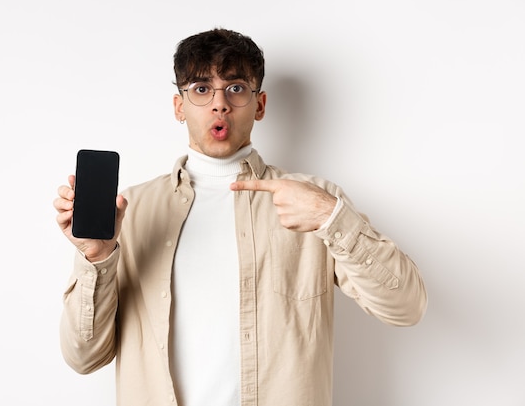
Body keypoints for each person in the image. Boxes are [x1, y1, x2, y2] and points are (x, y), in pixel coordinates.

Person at [54, 28, 427, 406]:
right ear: (179, 106)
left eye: (235, 88)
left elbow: (407, 307)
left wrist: (331, 216)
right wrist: (97, 258)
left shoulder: (312, 198)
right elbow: (84, 358)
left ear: (260, 104)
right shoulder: (131, 210)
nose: (219, 105)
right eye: (201, 89)